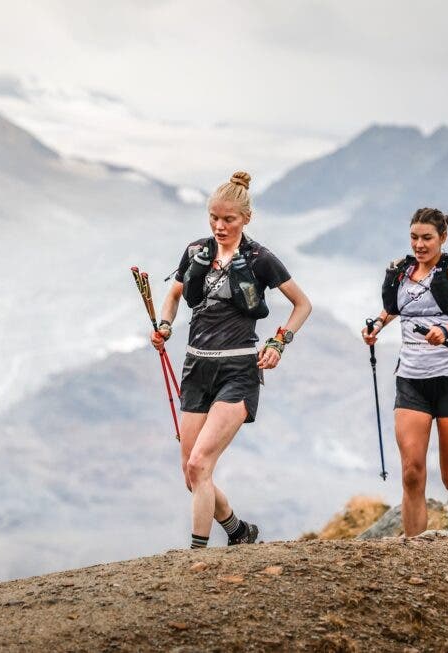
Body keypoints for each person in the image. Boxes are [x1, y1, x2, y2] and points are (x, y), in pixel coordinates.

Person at [151, 171, 311, 549]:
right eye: (214, 218)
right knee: (191, 475)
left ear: (246, 219)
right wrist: (164, 326)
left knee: (199, 465)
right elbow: (174, 296)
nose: (220, 226)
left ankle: (196, 558)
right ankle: (239, 531)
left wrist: (278, 342)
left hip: (238, 371)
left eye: (229, 219)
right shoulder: (195, 253)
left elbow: (302, 305)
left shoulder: (261, 259)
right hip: (195, 369)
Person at [361, 207, 448, 536]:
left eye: (427, 238)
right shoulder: (401, 270)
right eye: (414, 237)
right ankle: (414, 551)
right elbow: (398, 307)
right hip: (411, 380)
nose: (419, 244)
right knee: (412, 472)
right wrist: (378, 324)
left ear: (443, 238)